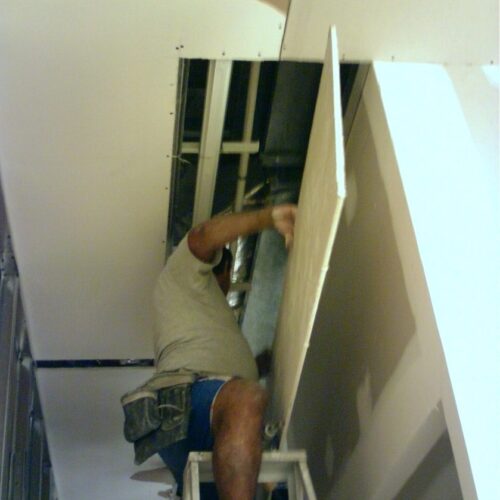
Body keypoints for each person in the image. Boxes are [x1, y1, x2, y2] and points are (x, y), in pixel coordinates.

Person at [153, 204, 296, 499]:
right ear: (224, 269)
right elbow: (202, 235)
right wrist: (267, 218)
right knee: (246, 397)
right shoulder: (181, 273)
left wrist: (257, 365)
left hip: (204, 419)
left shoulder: (201, 312)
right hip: (185, 402)